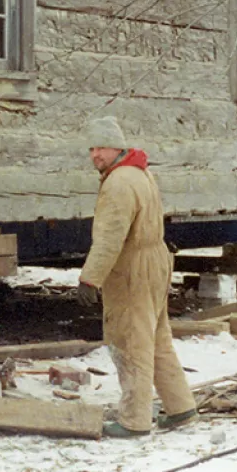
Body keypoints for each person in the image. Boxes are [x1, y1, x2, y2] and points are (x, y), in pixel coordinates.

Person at [75, 116, 197, 438]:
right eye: (91, 148)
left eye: (100, 147)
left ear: (116, 147)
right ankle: (180, 406)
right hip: (155, 259)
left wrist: (90, 278)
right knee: (156, 337)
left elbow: (110, 237)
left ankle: (134, 420)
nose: (94, 155)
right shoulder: (140, 172)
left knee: (130, 340)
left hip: (132, 267)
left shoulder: (118, 183)